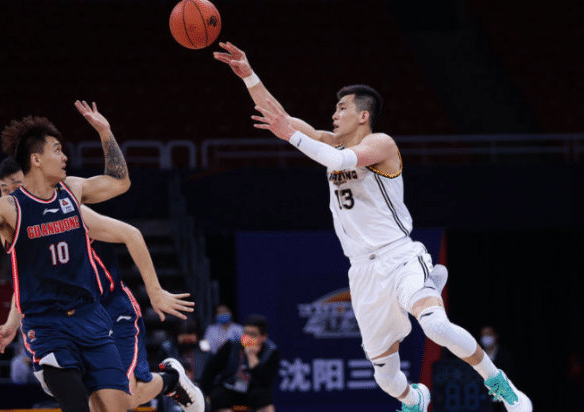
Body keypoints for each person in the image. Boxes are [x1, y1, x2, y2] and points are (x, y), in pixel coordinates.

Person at [214, 43, 532, 412]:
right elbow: (280, 117)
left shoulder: (381, 144)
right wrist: (249, 75)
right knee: (385, 378)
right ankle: (415, 399)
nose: (334, 114)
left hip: (399, 255)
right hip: (362, 271)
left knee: (436, 327)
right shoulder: (329, 142)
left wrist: (293, 135)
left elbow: (333, 158)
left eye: (342, 108)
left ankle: (499, 382)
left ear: (363, 115)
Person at [0, 102, 172, 412]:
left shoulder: (72, 189)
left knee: (118, 406)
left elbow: (120, 182)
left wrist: (105, 133)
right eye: (57, 150)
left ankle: (171, 381)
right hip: (48, 326)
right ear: (36, 160)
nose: (64, 157)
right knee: (77, 406)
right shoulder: (9, 208)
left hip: (90, 317)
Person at [0, 157, 203, 412]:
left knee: (127, 397)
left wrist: (155, 291)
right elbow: (26, 287)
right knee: (95, 403)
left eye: (17, 186)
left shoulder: (69, 211)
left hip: (111, 308)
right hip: (73, 319)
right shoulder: (18, 229)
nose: (11, 195)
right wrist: (12, 324)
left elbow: (131, 234)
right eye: (4, 190)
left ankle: (172, 380)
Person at [201, 314, 280, 412]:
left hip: (253, 391)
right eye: (245, 333)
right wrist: (206, 394)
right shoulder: (231, 345)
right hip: (229, 387)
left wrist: (251, 356)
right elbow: (210, 370)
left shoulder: (271, 351)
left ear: (263, 337)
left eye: (253, 334)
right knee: (218, 396)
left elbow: (265, 380)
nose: (248, 337)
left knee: (266, 401)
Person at [479, 326, 519, 412]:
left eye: (488, 334)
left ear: (496, 336)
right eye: (483, 335)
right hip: (484, 399)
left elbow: (511, 376)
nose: (485, 337)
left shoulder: (505, 355)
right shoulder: (479, 356)